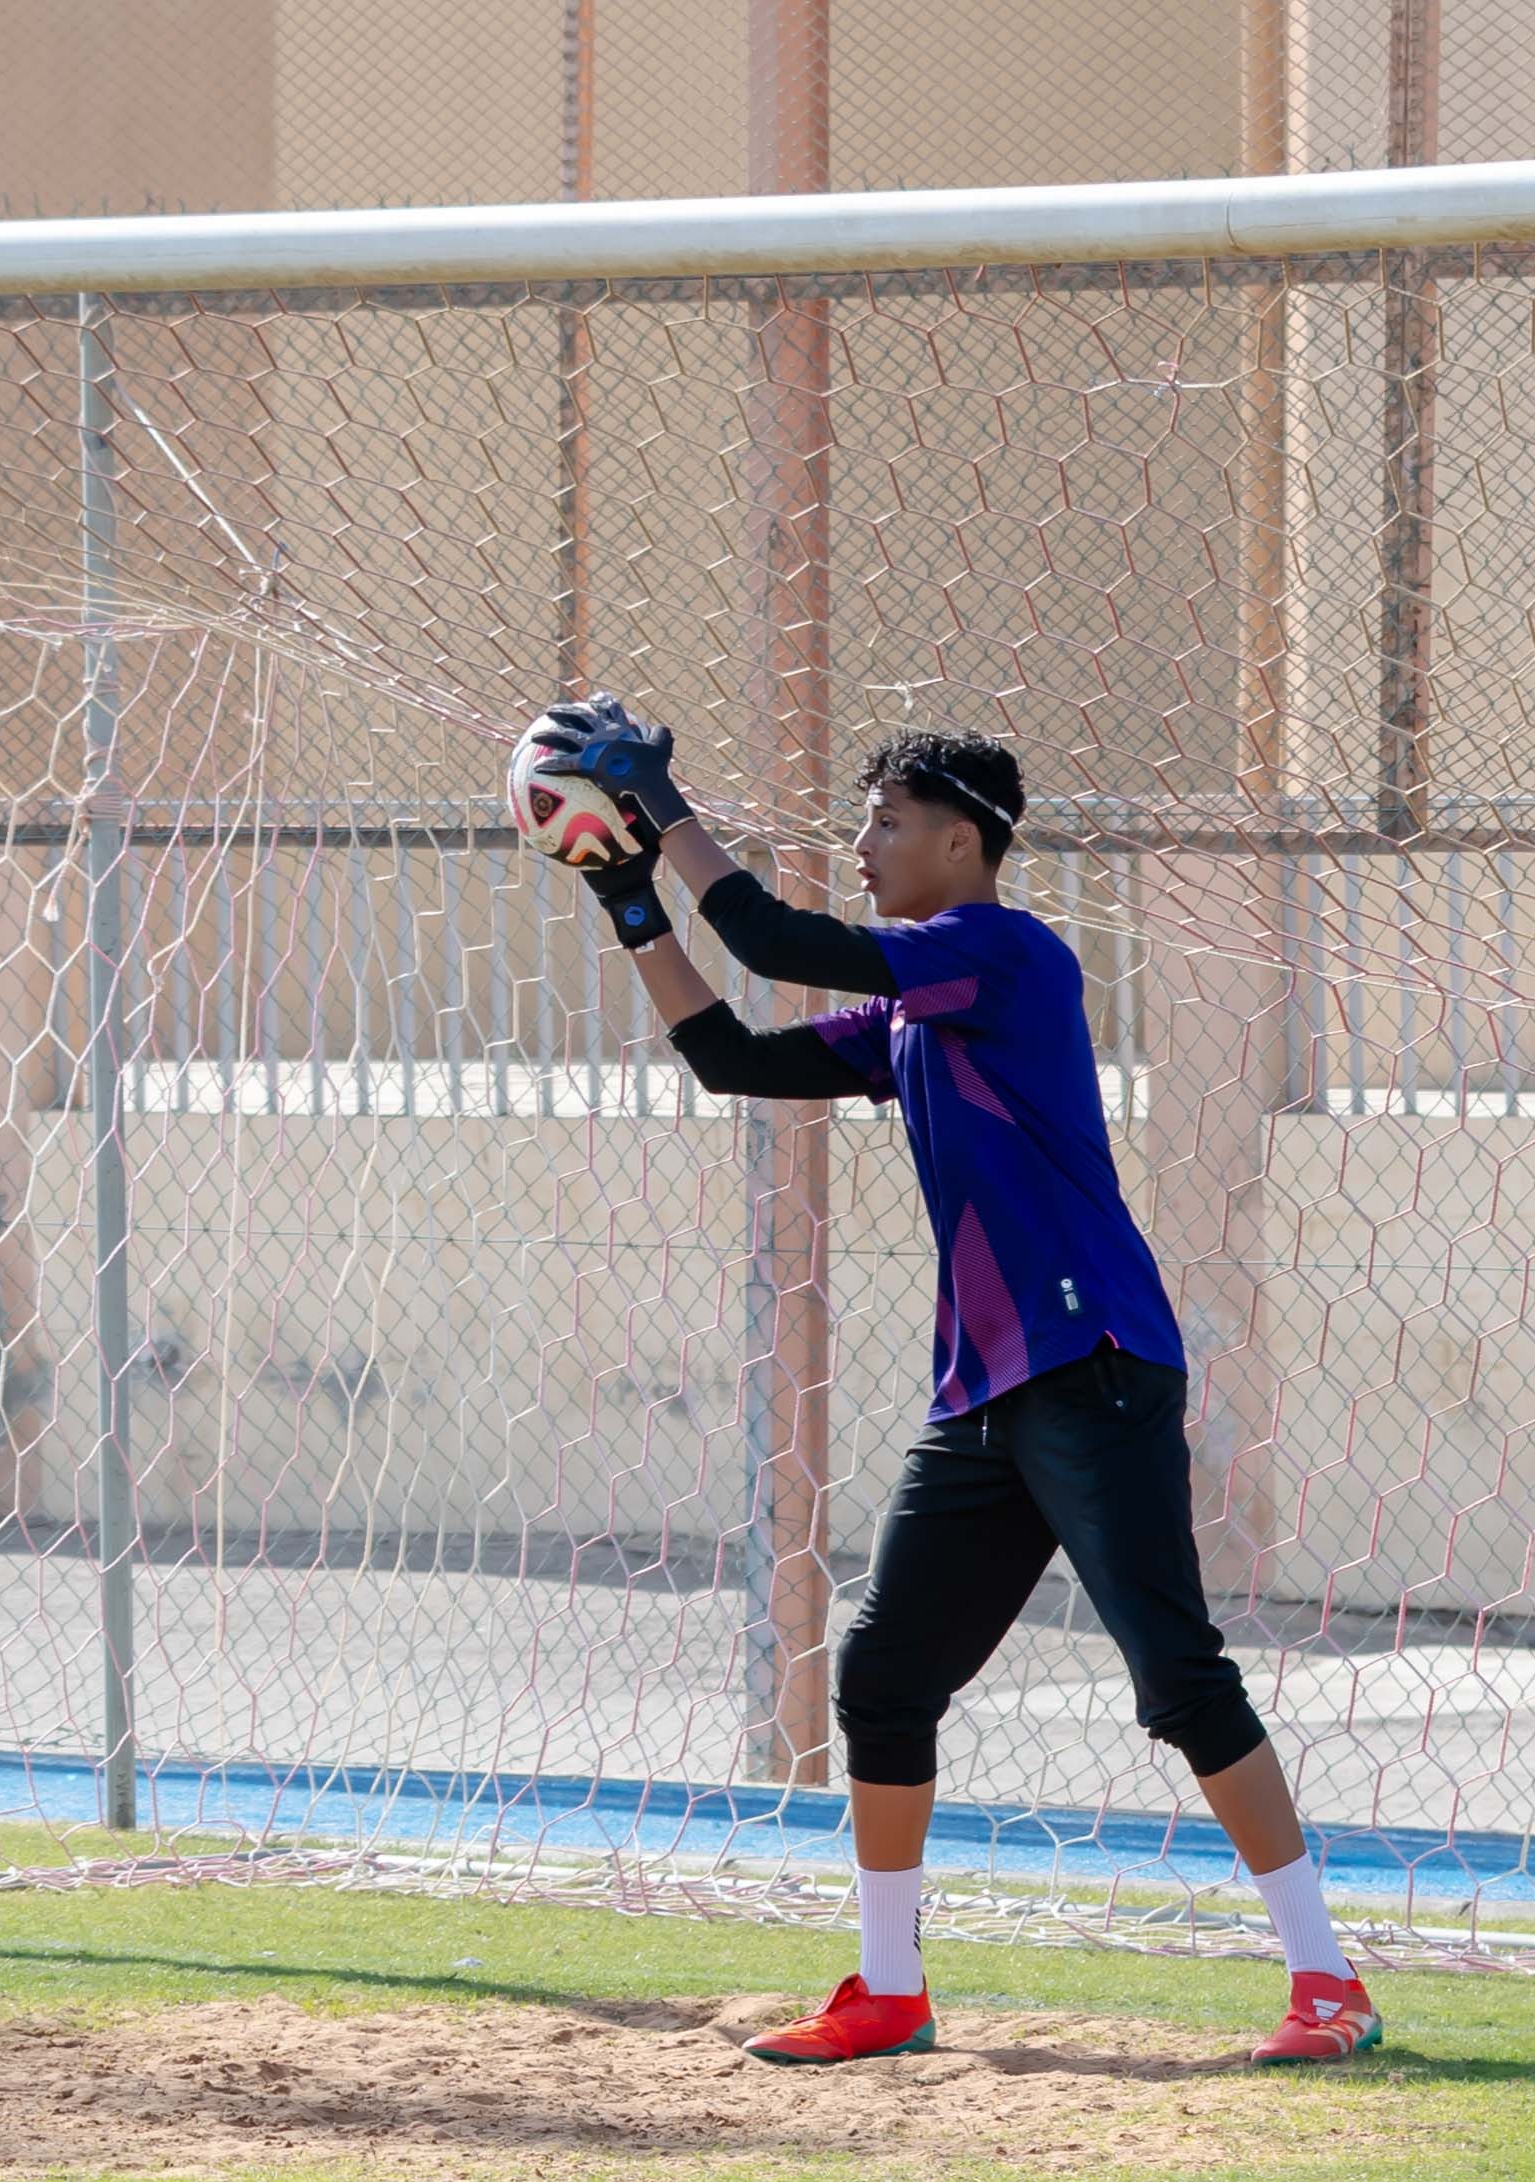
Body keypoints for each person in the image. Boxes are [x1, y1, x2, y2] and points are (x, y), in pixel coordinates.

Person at [527, 700, 1378, 2067]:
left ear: (962, 844)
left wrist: (665, 810)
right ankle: (890, 1988)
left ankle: (1328, 1982)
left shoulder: (1004, 953)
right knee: (882, 1676)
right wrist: (632, 905)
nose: (864, 845)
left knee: (1176, 1677)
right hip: (985, 1393)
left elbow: (775, 941)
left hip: (1092, 1362)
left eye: (886, 823)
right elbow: (735, 1057)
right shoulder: (917, 1012)